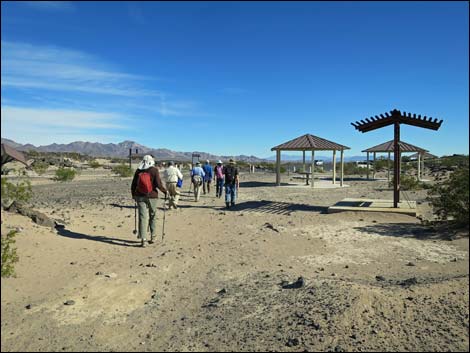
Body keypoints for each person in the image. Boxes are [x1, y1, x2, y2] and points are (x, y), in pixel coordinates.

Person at [131, 155, 167, 247]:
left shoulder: (138, 170)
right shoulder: (154, 170)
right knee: (153, 215)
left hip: (139, 196)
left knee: (142, 217)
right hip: (152, 196)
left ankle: (143, 239)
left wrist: (133, 195)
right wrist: (165, 192)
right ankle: (153, 236)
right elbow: (158, 184)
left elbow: (133, 184)